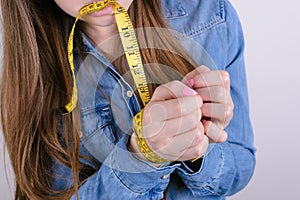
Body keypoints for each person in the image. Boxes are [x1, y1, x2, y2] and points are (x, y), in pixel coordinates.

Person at [0, 0, 255, 199]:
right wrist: (142, 155)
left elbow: (241, 168)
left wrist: (200, 150)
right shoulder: (33, 67)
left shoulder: (211, 16)